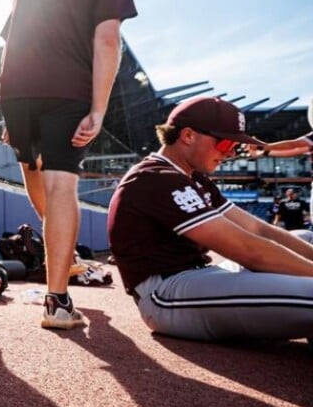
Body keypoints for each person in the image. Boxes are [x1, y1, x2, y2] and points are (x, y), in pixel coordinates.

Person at [0, 0, 137, 329]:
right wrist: (98, 108)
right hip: (67, 90)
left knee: (34, 171)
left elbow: (11, 44)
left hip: (17, 91)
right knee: (62, 185)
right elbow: (107, 40)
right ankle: (57, 300)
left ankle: (64, 255)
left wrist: (10, 108)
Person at [107, 96, 313, 343]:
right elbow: (248, 250)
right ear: (188, 135)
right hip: (165, 293)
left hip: (202, 276)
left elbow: (258, 228)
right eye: (225, 143)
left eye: (234, 147)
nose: (228, 154)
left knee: (304, 237)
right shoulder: (154, 176)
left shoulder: (194, 177)